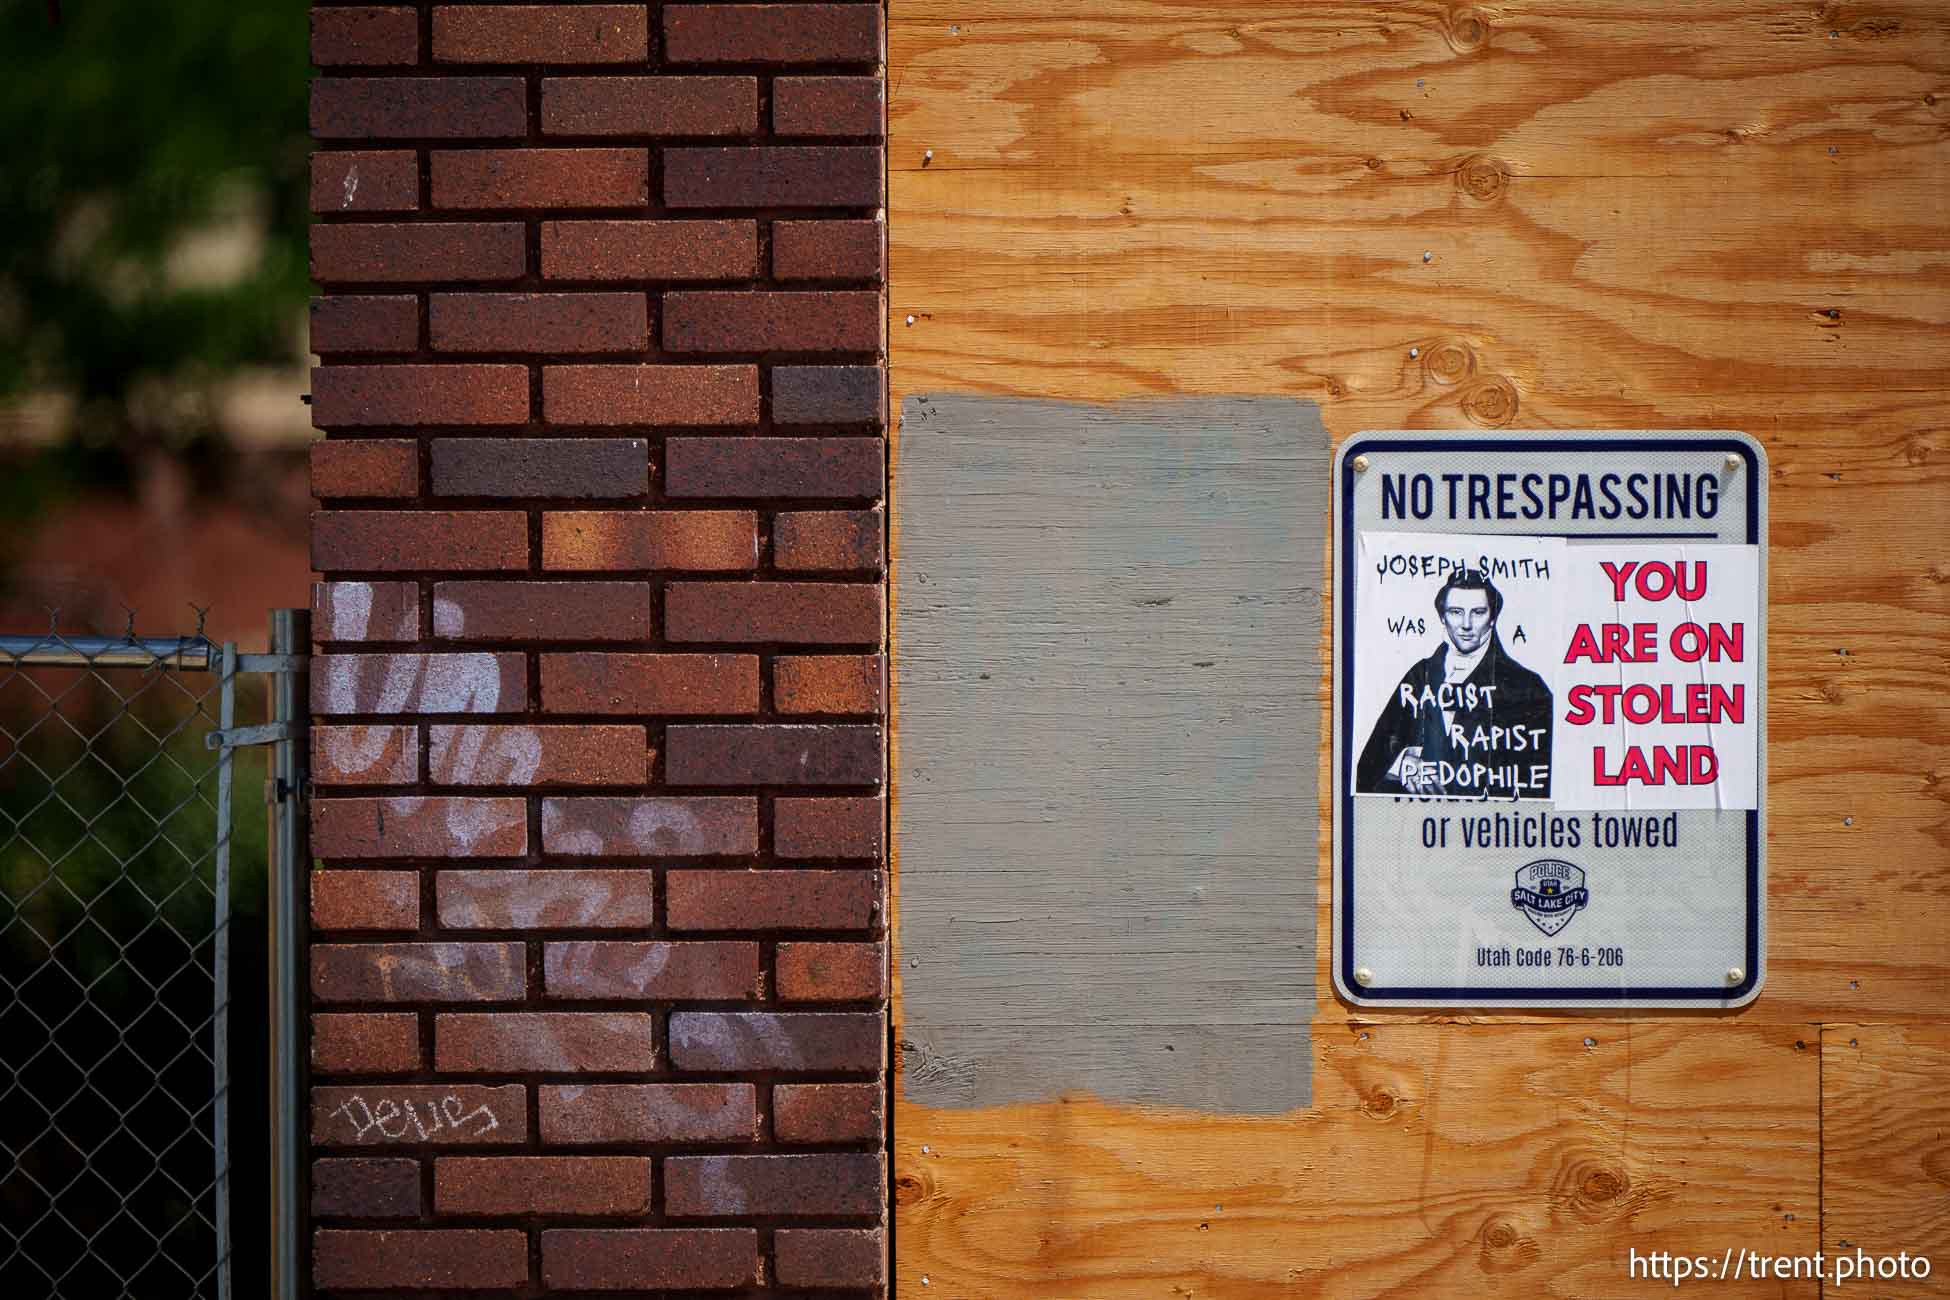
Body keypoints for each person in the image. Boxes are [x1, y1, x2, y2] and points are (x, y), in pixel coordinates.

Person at [1356, 569, 1554, 798]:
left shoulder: (1528, 688)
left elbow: (1536, 789)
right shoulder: (1419, 677)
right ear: (1442, 617)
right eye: (1456, 612)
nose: (1466, 624)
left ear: (1492, 618)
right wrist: (1402, 765)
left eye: (1478, 612)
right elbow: (1367, 767)